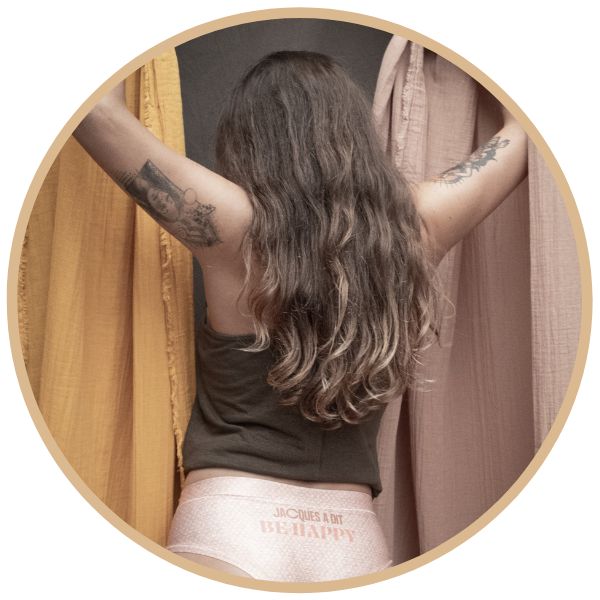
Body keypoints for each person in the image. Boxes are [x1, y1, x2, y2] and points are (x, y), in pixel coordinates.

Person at [73, 49, 528, 582]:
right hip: (351, 533)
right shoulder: (417, 227)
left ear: (248, 141)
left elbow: (95, 111)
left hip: (231, 516)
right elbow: (523, 137)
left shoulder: (230, 223)